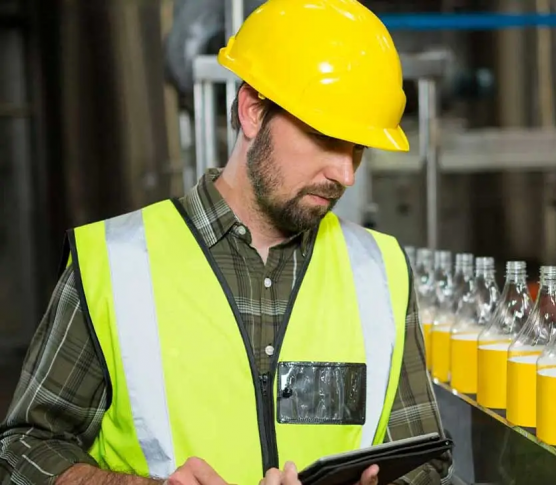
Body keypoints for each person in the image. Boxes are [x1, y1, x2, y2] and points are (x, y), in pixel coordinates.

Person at [0, 1, 453, 484]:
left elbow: (424, 459)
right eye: (326, 137)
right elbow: (25, 449)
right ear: (253, 111)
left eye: (358, 148)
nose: (345, 173)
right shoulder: (116, 264)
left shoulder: (379, 271)